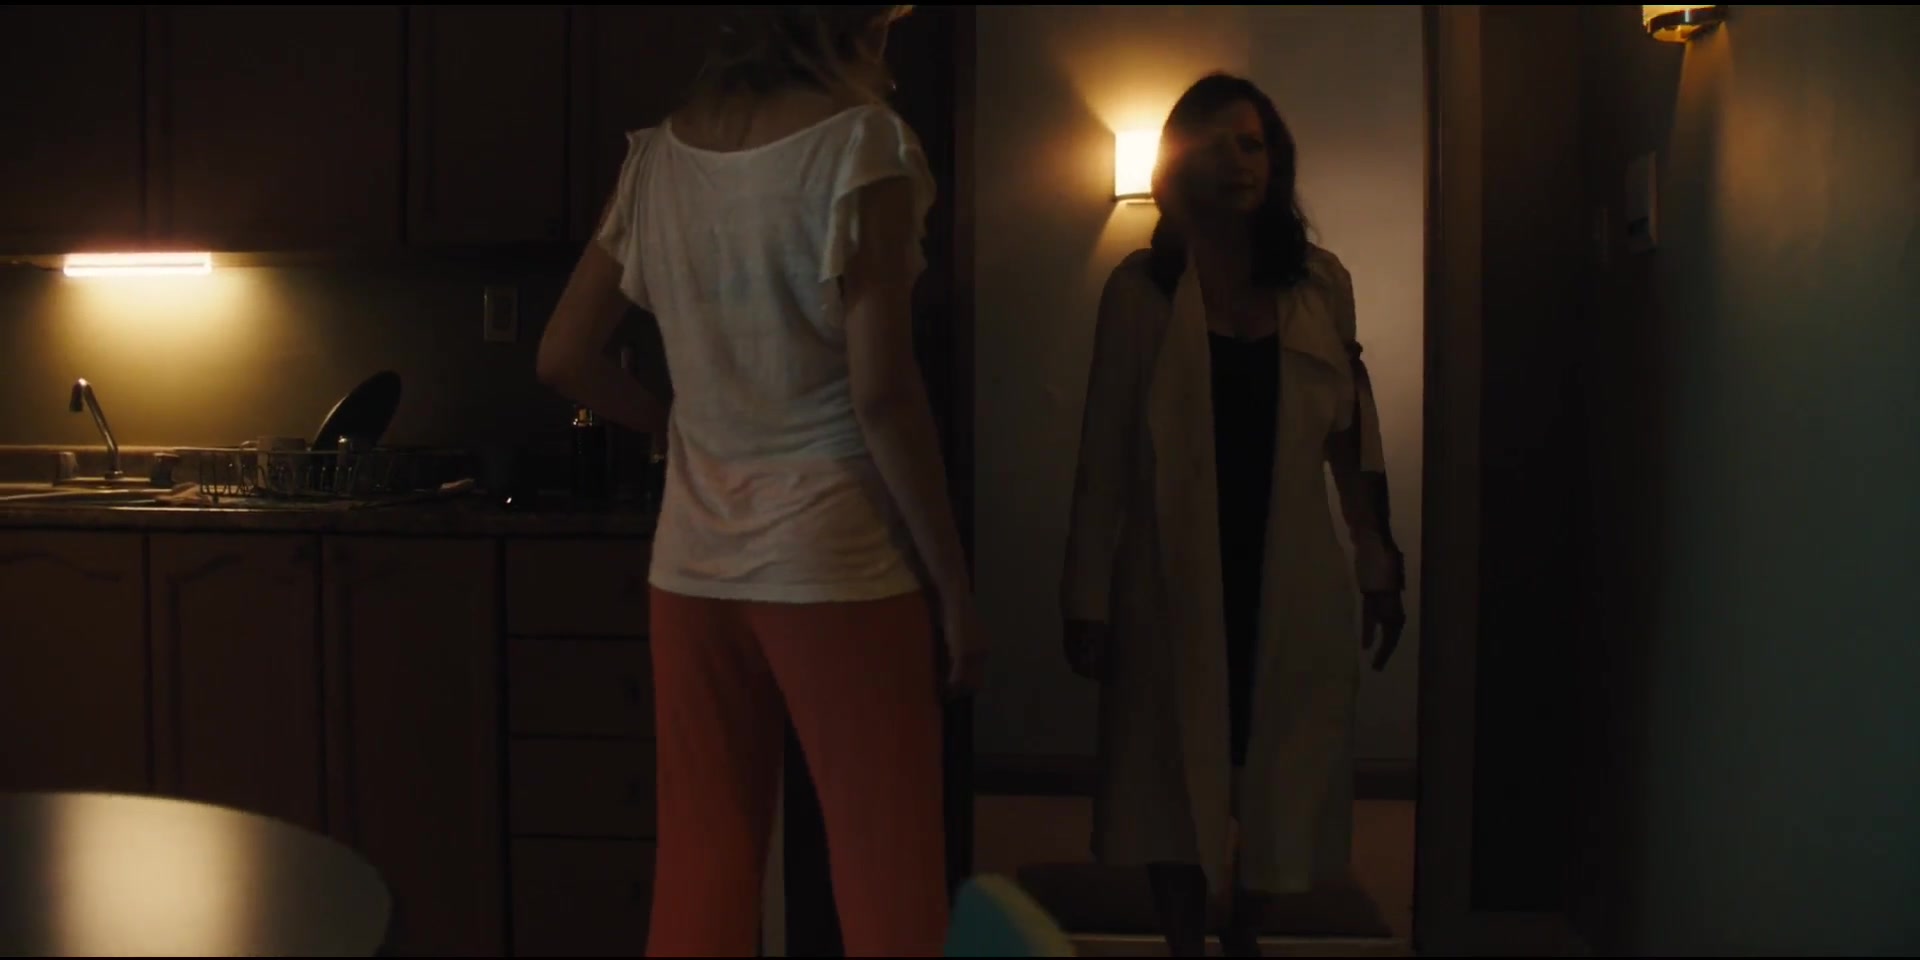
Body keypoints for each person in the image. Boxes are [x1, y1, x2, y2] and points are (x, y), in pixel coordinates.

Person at [535, 6, 983, 956]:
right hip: (837, 563)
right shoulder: (862, 145)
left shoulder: (658, 159)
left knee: (705, 859)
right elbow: (883, 394)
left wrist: (675, 422)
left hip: (692, 569)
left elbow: (564, 355)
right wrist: (952, 582)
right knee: (887, 869)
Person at [1059, 72, 1407, 958]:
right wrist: (1086, 594)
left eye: (1251, 143)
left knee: (1289, 775)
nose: (1236, 162)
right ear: (1178, 166)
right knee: (1167, 775)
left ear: (1275, 160)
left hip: (1289, 565)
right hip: (1170, 568)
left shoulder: (1320, 284)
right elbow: (1103, 453)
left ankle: (1243, 934)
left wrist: (1377, 551)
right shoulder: (1139, 291)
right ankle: (1185, 944)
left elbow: (1352, 432)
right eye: (1213, 145)